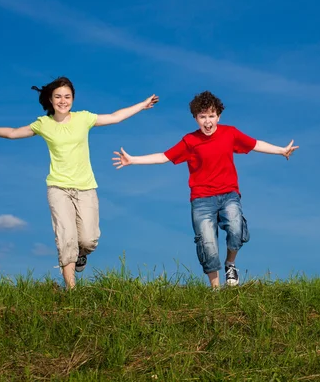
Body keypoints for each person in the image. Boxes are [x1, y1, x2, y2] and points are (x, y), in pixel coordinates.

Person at [0, 76, 159, 290]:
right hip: (58, 188)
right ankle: (71, 289)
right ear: (50, 99)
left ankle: (81, 255)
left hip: (85, 187)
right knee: (66, 236)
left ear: (73, 99)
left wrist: (142, 105)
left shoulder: (83, 119)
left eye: (67, 96)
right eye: (58, 96)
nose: (63, 100)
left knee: (88, 239)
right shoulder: (43, 124)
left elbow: (114, 117)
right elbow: (13, 133)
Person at [112, 91, 298, 288]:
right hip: (201, 199)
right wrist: (132, 160)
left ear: (219, 116)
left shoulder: (230, 133)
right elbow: (164, 156)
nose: (207, 121)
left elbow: (254, 144)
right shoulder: (190, 141)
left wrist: (281, 150)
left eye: (211, 116)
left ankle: (230, 263)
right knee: (207, 244)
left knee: (236, 228)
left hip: (228, 194)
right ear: (195, 118)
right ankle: (216, 290)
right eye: (202, 117)